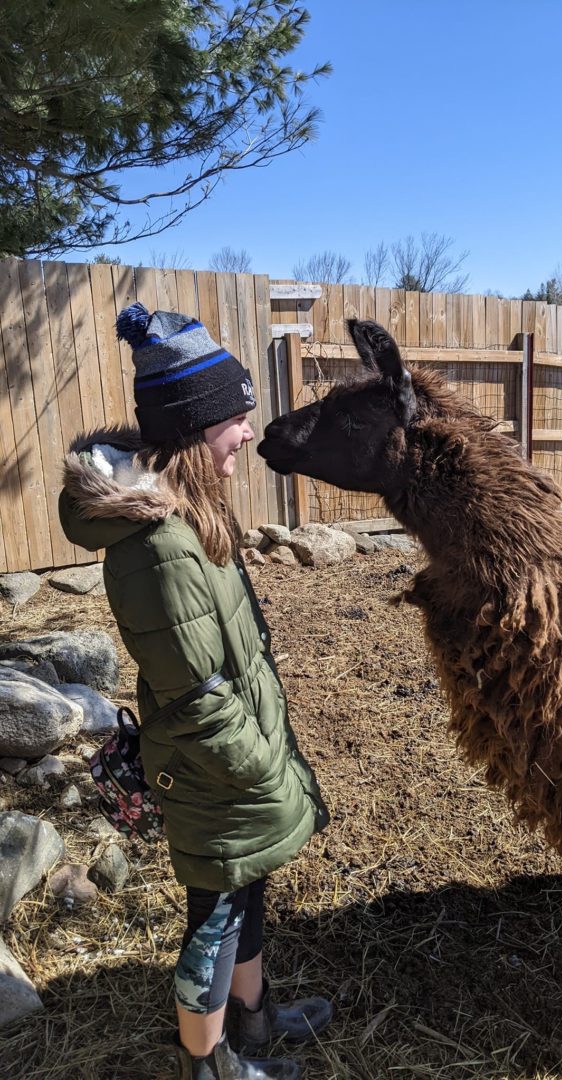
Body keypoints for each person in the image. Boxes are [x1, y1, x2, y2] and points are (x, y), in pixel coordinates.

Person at [59, 303, 331, 1080]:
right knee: (212, 920)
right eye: (234, 420)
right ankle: (210, 1067)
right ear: (191, 428)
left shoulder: (191, 515)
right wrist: (259, 763)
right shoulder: (156, 548)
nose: (248, 433)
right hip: (216, 768)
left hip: (236, 762)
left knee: (245, 893)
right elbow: (198, 695)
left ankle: (254, 1021)